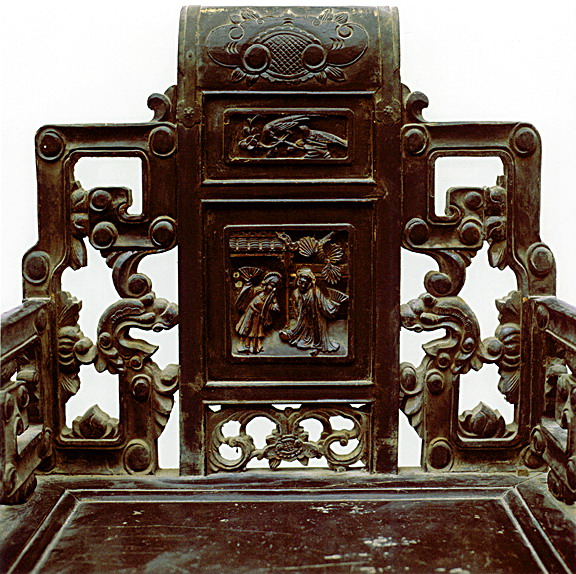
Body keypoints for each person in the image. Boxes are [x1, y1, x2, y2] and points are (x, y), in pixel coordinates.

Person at [279, 267, 347, 355]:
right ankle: (292, 335)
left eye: (304, 283)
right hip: (303, 318)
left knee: (316, 332)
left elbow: (324, 305)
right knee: (299, 329)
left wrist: (335, 304)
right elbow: (296, 307)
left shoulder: (315, 292)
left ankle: (317, 346)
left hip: (316, 318)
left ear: (309, 283)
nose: (302, 286)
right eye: (300, 282)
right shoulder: (296, 292)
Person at [235, 271, 281, 354]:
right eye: (272, 285)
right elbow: (247, 297)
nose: (273, 288)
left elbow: (275, 307)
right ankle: (243, 345)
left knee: (257, 332)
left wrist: (273, 306)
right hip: (250, 313)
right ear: (266, 283)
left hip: (259, 316)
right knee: (246, 330)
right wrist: (248, 284)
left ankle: (256, 347)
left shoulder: (271, 296)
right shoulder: (258, 290)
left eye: (275, 286)